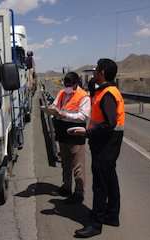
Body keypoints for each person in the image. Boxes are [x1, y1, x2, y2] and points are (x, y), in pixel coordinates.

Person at [69, 59, 125, 238]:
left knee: (100, 184)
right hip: (109, 143)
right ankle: (112, 215)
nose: (93, 72)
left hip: (106, 144)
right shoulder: (105, 90)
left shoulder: (107, 94)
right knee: (110, 179)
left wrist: (87, 133)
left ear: (101, 72)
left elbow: (109, 123)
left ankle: (96, 223)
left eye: (96, 70)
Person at [48, 72, 91, 204]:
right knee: (65, 162)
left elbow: (83, 116)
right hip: (62, 132)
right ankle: (66, 187)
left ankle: (79, 192)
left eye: (69, 85)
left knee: (77, 165)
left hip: (76, 133)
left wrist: (64, 114)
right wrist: (51, 109)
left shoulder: (83, 96)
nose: (67, 87)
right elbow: (55, 105)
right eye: (65, 85)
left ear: (76, 84)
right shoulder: (62, 93)